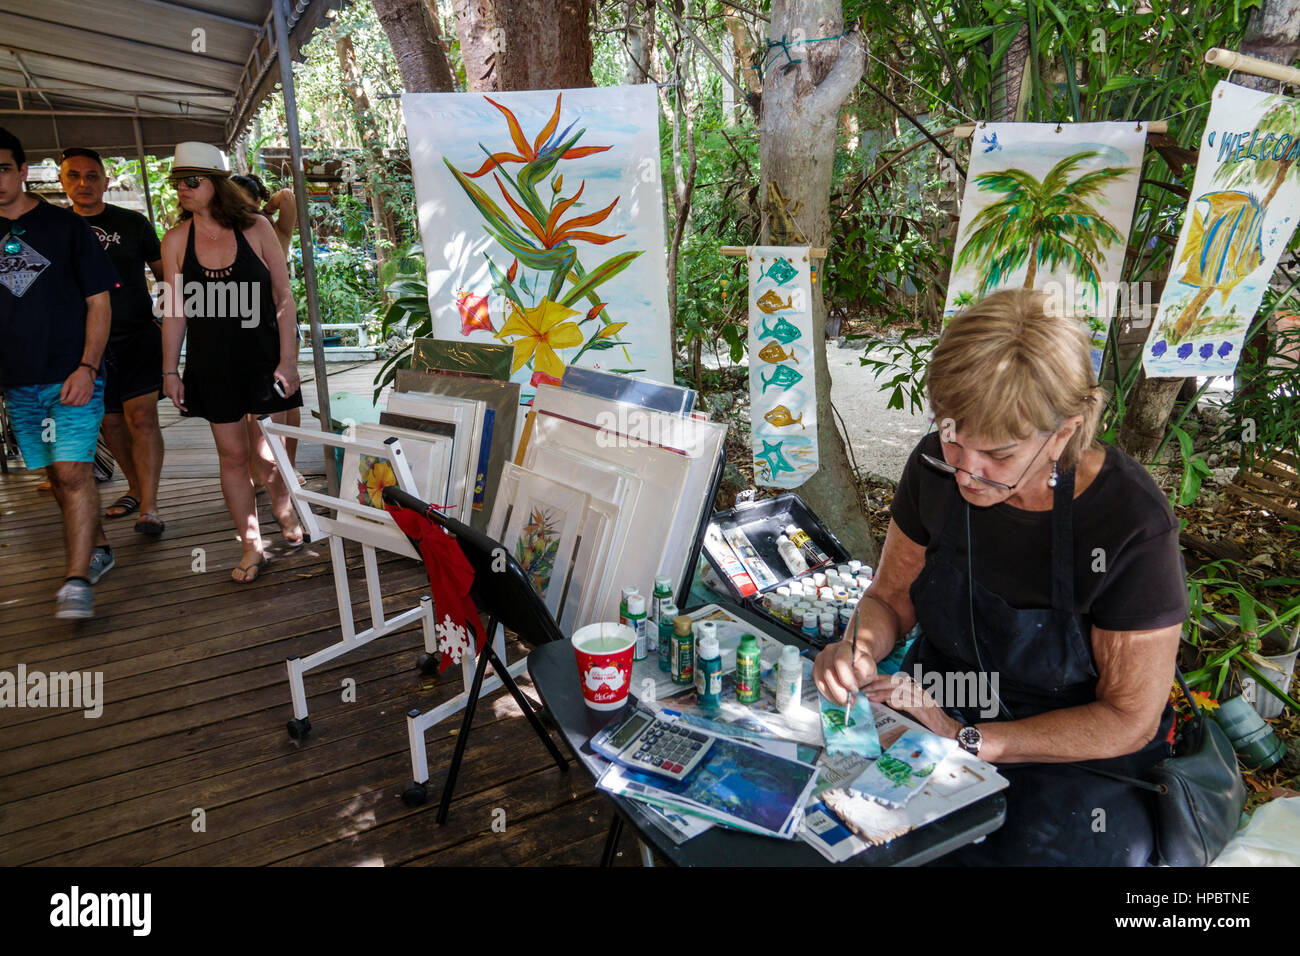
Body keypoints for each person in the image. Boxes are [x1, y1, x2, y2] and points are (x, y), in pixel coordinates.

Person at [814, 288, 1187, 866]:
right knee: (833, 829)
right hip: (929, 704)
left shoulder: (1128, 522)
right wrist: (857, 646)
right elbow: (890, 598)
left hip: (1071, 752)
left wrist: (967, 740)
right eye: (952, 438)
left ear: (1063, 431)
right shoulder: (933, 469)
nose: (965, 472)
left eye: (999, 455)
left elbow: (1128, 719)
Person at [159, 143, 303, 583]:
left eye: (191, 181)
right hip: (212, 366)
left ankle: (287, 515)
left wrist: (288, 360)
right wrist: (169, 371)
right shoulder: (175, 240)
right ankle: (251, 545)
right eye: (177, 182)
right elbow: (174, 310)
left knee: (270, 453)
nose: (182, 189)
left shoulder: (257, 228)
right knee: (232, 455)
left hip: (264, 362)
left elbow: (283, 297)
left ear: (216, 185)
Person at [0, 127, 119, 619]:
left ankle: (76, 581)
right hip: (17, 381)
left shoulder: (66, 228)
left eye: (3, 168)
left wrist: (88, 366)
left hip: (72, 374)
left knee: (71, 472)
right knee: (55, 469)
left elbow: (100, 303)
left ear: (23, 171)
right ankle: (100, 544)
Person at [59, 146, 168, 534]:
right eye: (74, 175)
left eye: (92, 176)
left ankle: (151, 507)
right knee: (111, 424)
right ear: (62, 181)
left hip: (137, 336)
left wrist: (164, 322)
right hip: (86, 348)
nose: (84, 183)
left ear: (106, 181)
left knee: (142, 418)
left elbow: (164, 276)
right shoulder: (56, 228)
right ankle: (136, 489)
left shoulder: (134, 223)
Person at [231, 173, 302, 477]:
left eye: (244, 201)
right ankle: (259, 468)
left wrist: (266, 207)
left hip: (278, 320)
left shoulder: (273, 231)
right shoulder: (223, 232)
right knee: (250, 401)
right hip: (243, 323)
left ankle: (289, 466)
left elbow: (287, 197)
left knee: (286, 393)